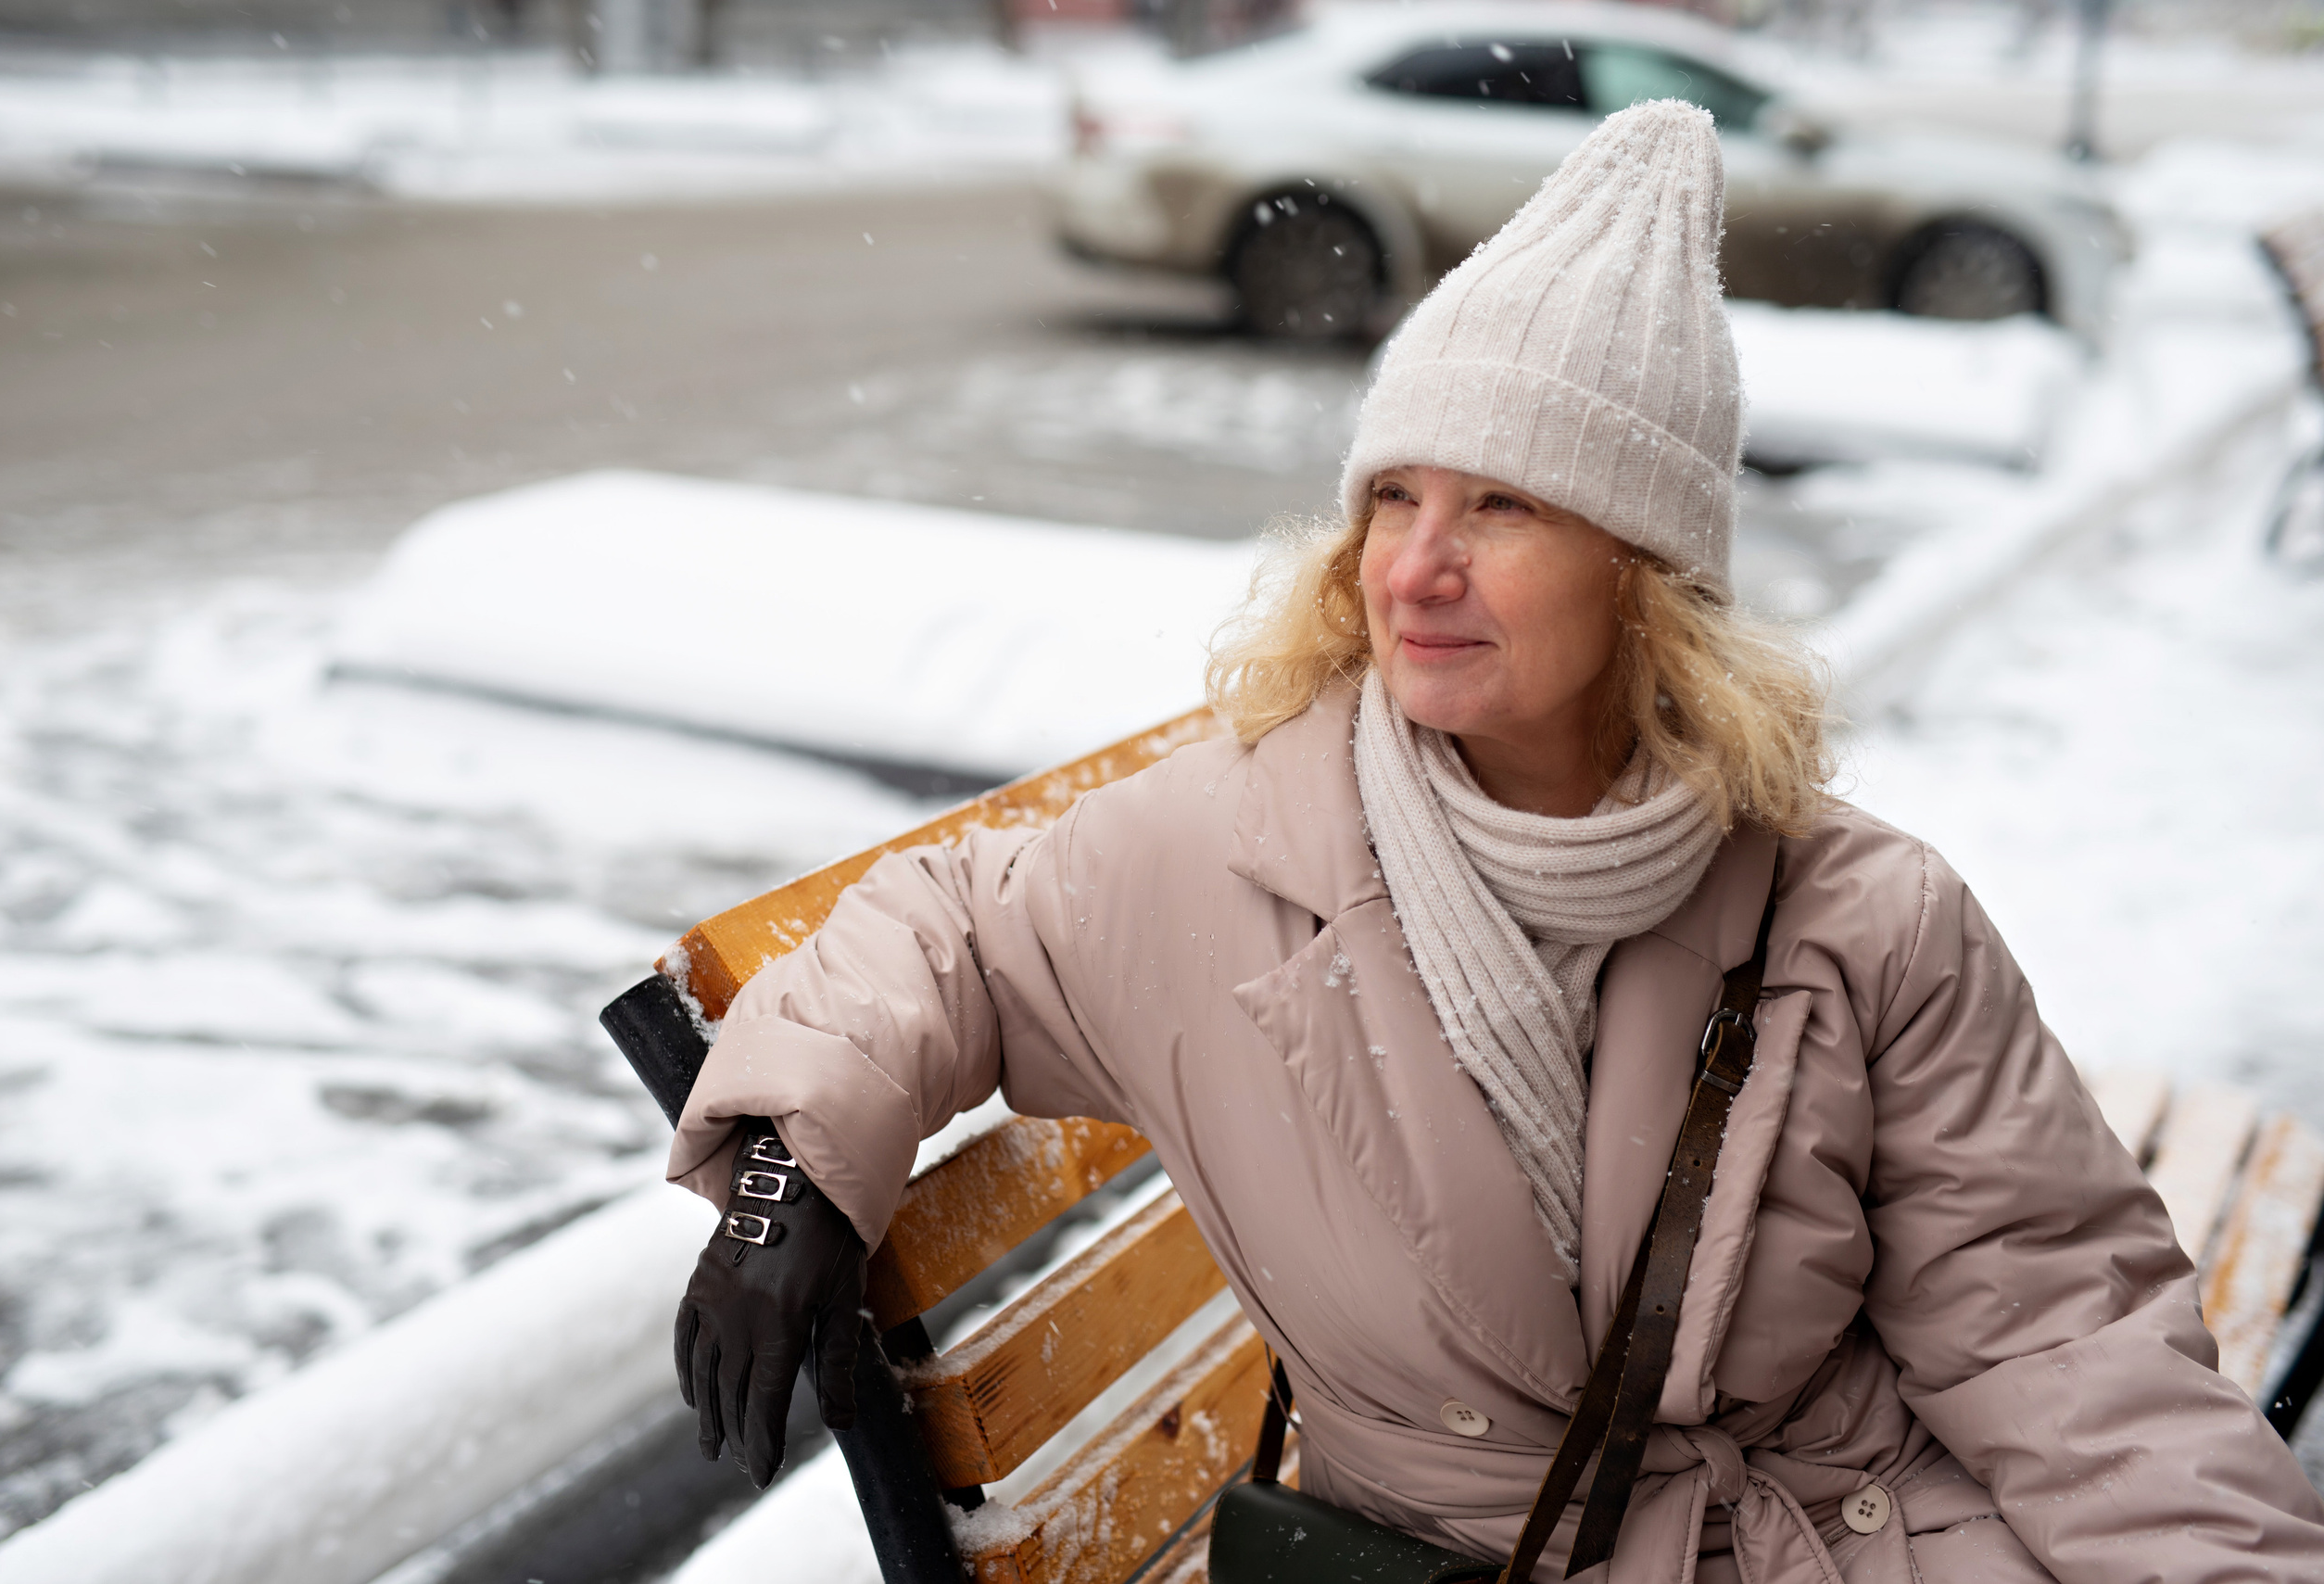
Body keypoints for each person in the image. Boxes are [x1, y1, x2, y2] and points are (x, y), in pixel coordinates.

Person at [663, 101, 2324, 1578]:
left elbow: (2056, 1332)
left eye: (1504, 506)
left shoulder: (1862, 911)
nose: (1413, 568)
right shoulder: (1215, 861)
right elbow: (940, 923)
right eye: (1395, 498)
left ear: (1647, 573)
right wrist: (783, 1187)